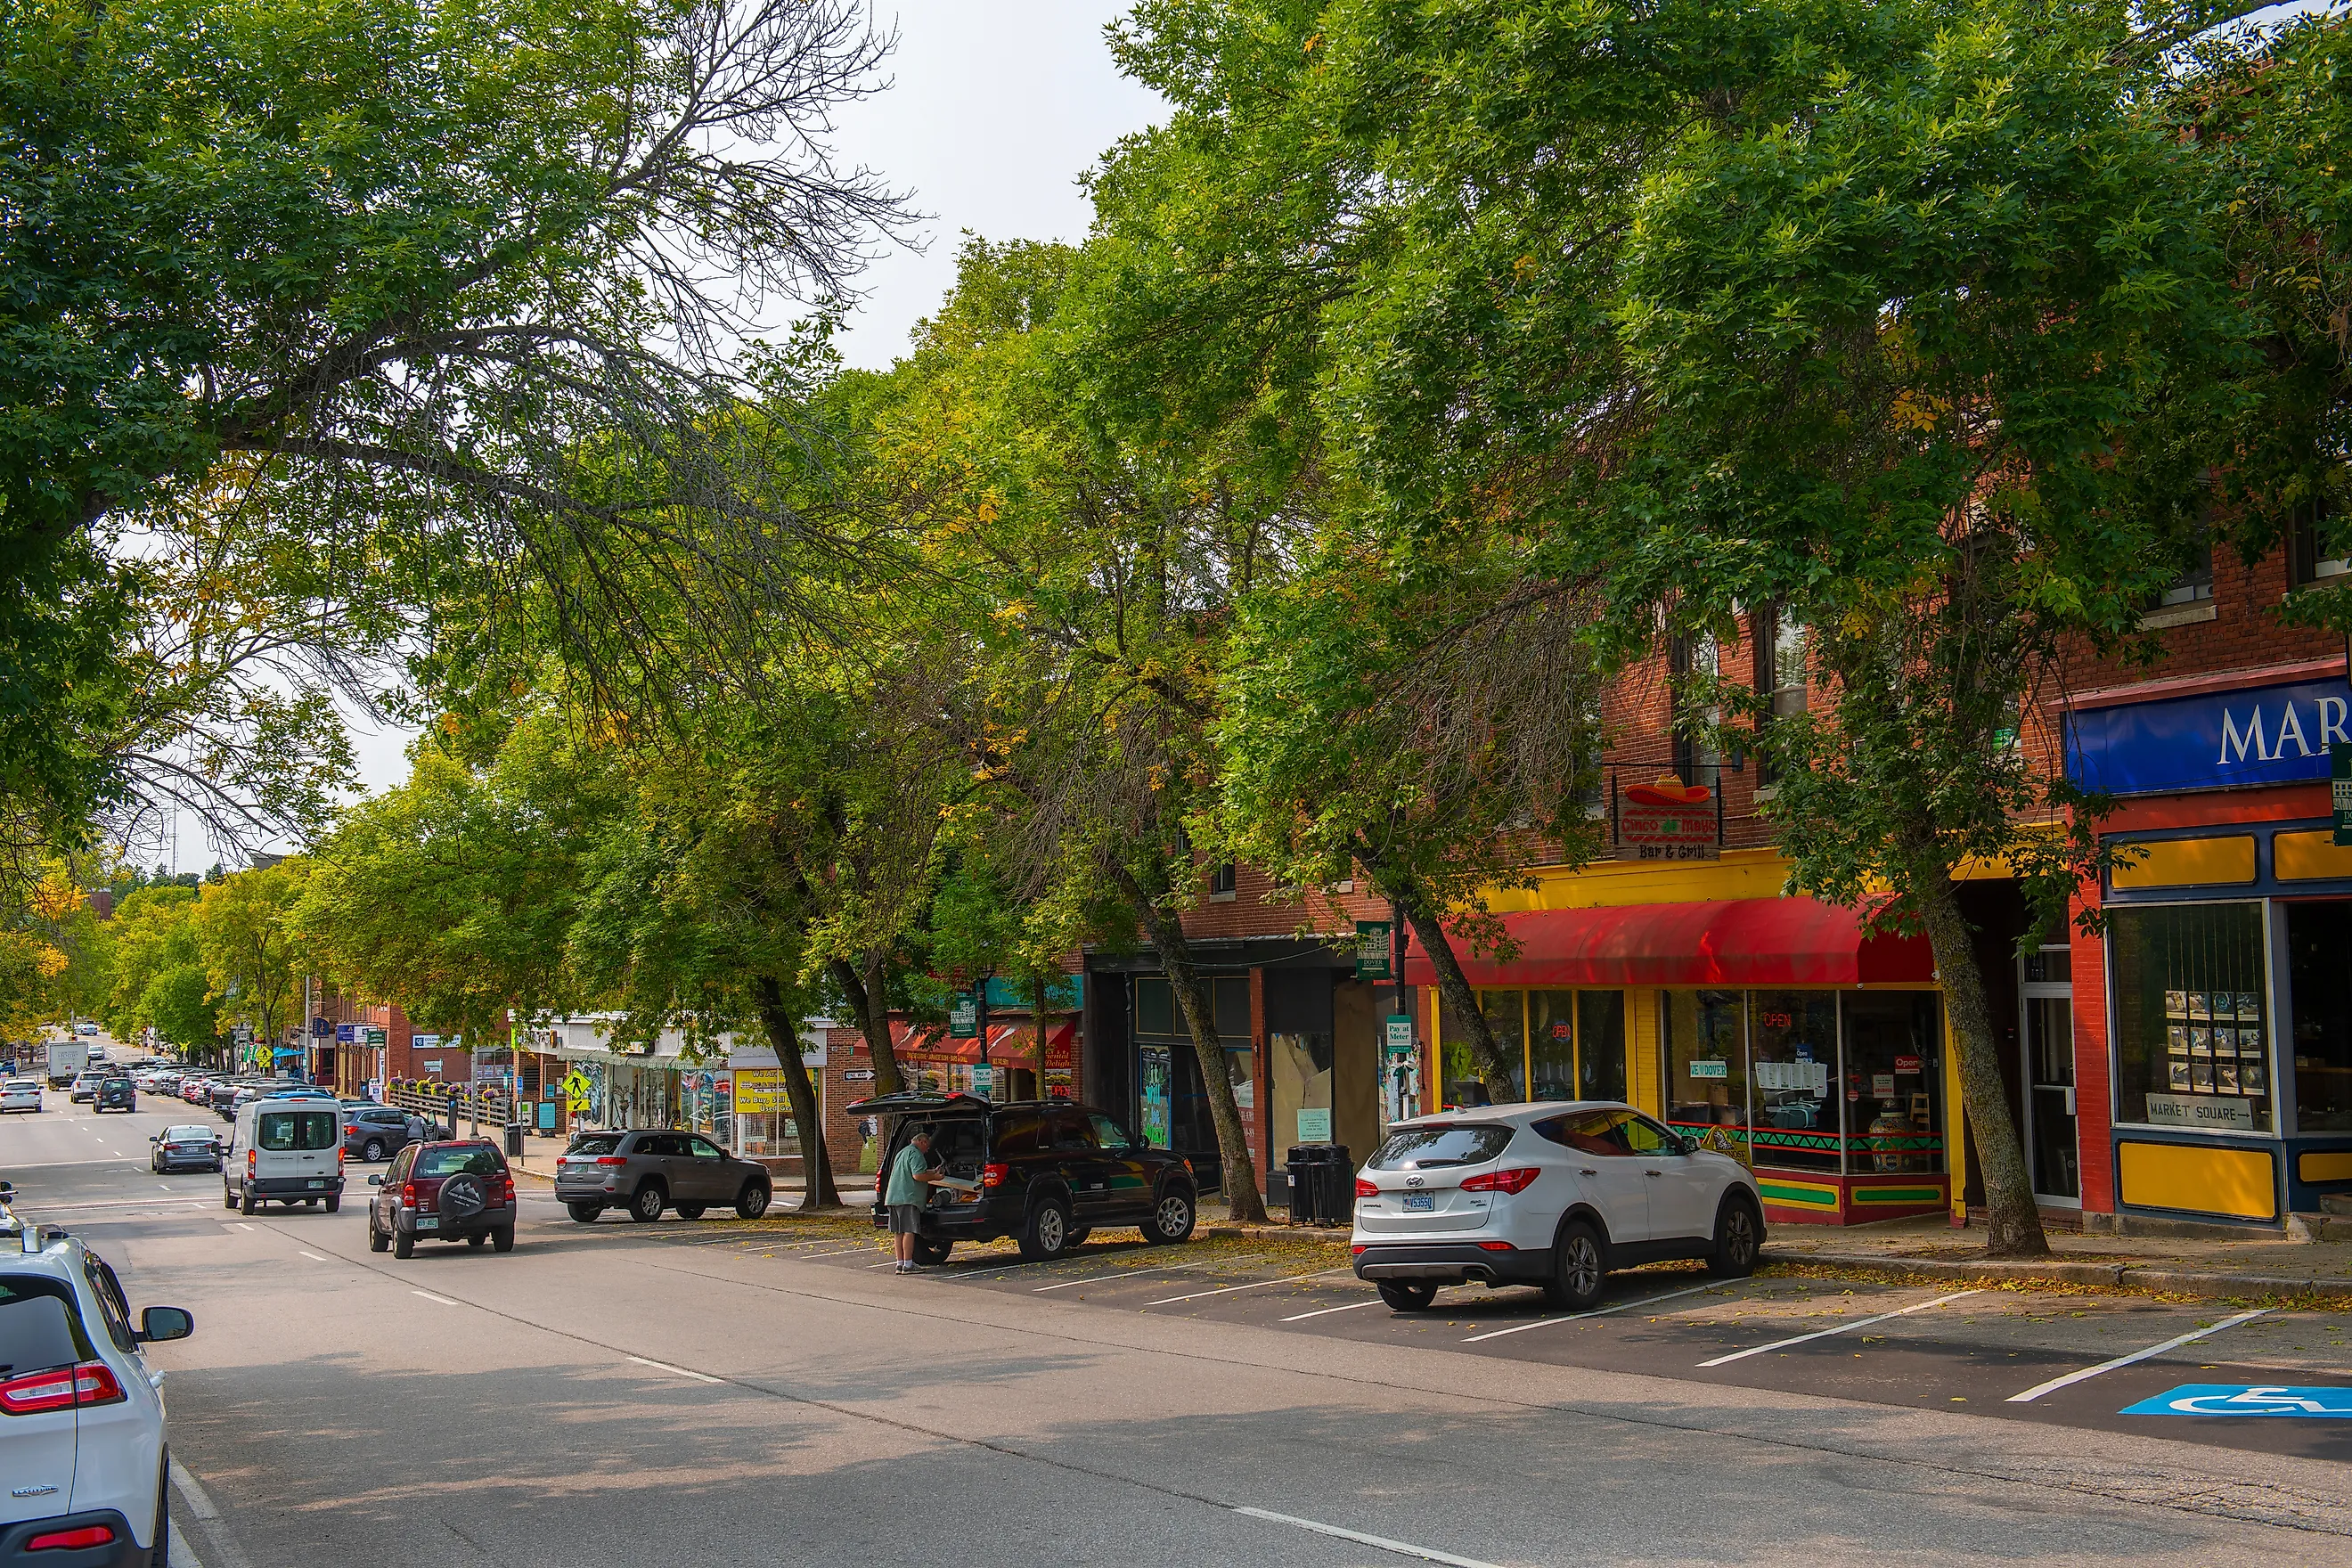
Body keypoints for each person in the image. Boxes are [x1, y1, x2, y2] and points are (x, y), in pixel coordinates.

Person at [884, 1126, 950, 1273]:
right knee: (909, 1231)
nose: (927, 1150)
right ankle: (908, 1265)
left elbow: (914, 1171)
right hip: (908, 1198)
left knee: (898, 1231)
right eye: (927, 1145)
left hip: (894, 1197)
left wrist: (932, 1171)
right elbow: (918, 1176)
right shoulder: (916, 1154)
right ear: (921, 1141)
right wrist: (935, 1177)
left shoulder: (903, 1152)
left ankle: (900, 1263)